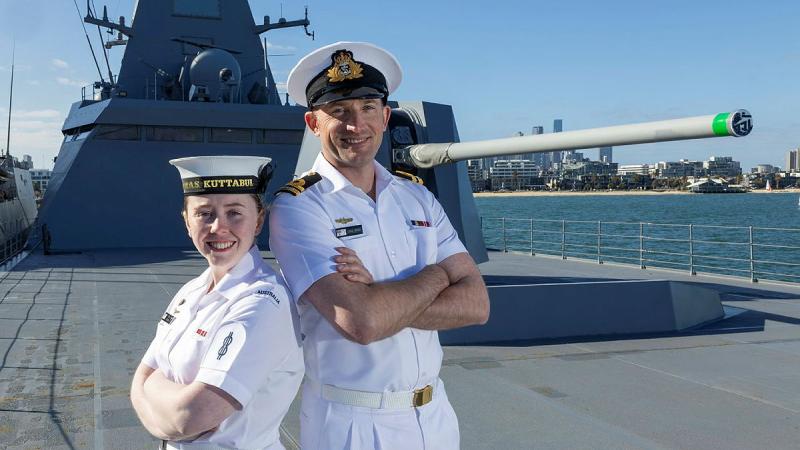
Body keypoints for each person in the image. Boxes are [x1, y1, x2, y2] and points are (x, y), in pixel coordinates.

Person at [269, 42, 490, 450]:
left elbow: (477, 305)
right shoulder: (298, 207)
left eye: (369, 108)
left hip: (436, 416)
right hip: (354, 424)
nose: (357, 124)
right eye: (339, 112)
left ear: (386, 116)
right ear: (313, 124)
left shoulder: (416, 197)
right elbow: (363, 322)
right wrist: (438, 275)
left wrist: (382, 294)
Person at [131, 156, 315, 450]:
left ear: (259, 221)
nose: (219, 227)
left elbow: (189, 417)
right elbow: (141, 378)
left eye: (234, 213)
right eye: (204, 214)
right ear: (186, 222)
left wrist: (156, 401)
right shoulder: (191, 292)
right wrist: (163, 408)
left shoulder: (263, 302)